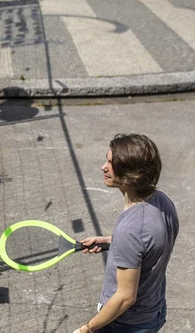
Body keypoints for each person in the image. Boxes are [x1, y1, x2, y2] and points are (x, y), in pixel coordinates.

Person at [73, 134, 179, 333]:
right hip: (153, 311)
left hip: (125, 324)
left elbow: (125, 297)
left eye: (112, 164)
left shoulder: (131, 229)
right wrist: (109, 241)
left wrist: (86, 329)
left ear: (131, 174)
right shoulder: (163, 202)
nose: (103, 167)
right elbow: (150, 244)